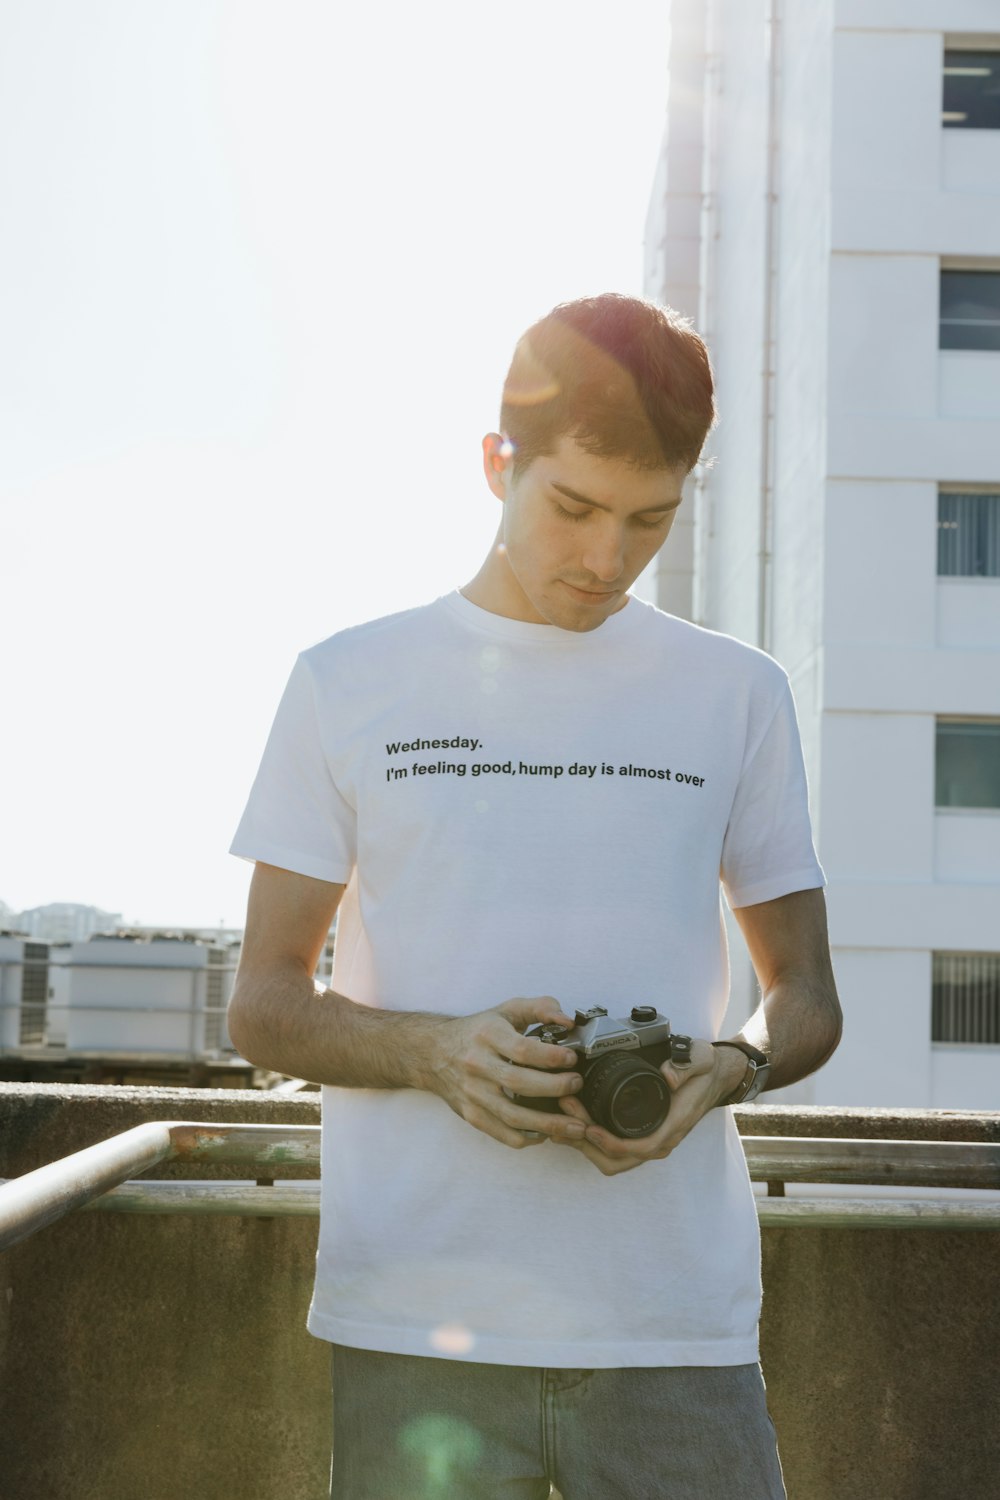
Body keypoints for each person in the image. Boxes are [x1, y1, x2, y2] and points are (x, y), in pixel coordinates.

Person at [228, 292, 842, 1500]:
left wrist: (735, 1066)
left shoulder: (738, 694)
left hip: (673, 1327)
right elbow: (260, 1003)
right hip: (417, 1326)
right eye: (572, 507)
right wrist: (436, 1052)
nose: (607, 559)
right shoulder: (348, 683)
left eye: (649, 521)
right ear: (495, 463)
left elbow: (805, 994)